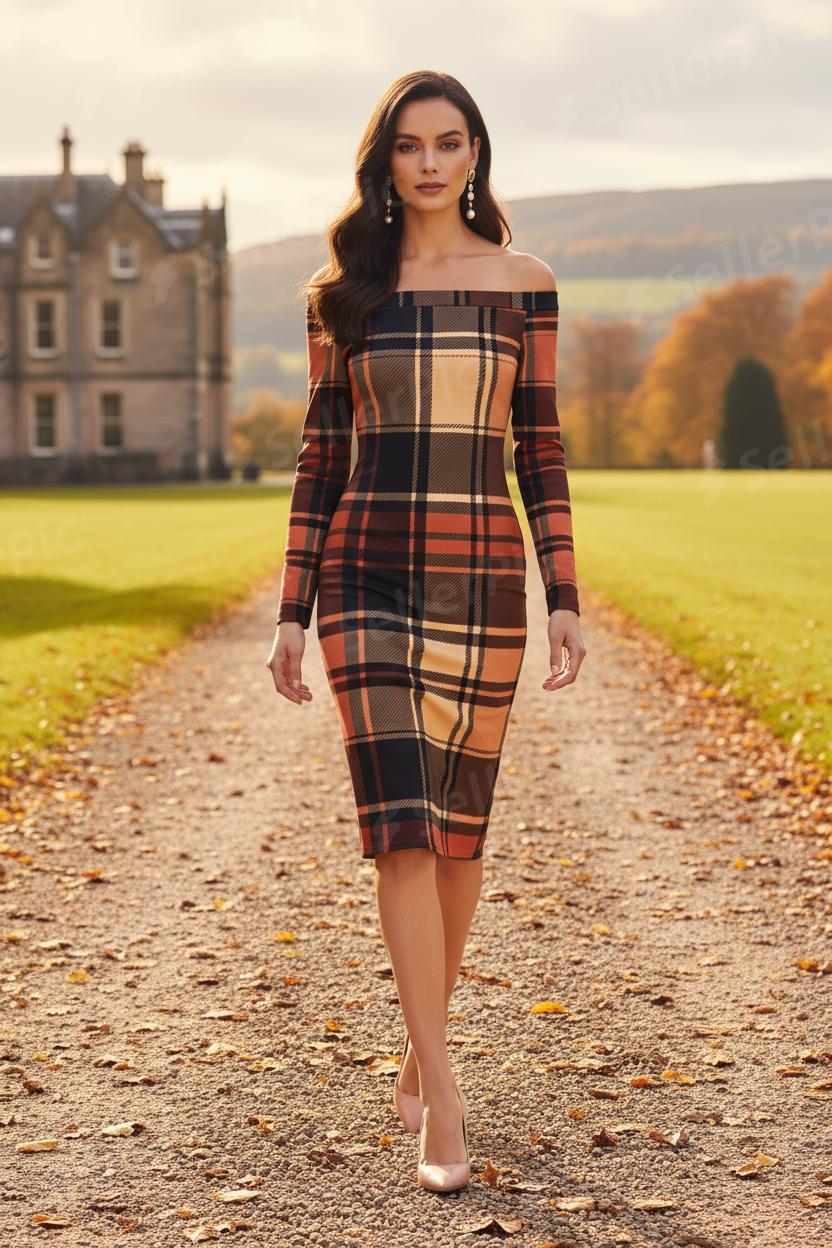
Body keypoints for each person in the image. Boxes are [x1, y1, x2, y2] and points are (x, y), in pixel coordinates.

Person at [267, 69, 586, 1194]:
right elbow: (321, 458)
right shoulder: (343, 295)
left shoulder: (525, 285)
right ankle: (443, 1097)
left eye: (449, 143)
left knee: (459, 836)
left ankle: (419, 1045)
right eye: (410, 145)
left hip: (481, 582)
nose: (432, 163)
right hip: (364, 579)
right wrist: (292, 610)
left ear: (475, 153)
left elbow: (538, 447)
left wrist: (562, 591)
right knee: (401, 829)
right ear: (385, 163)